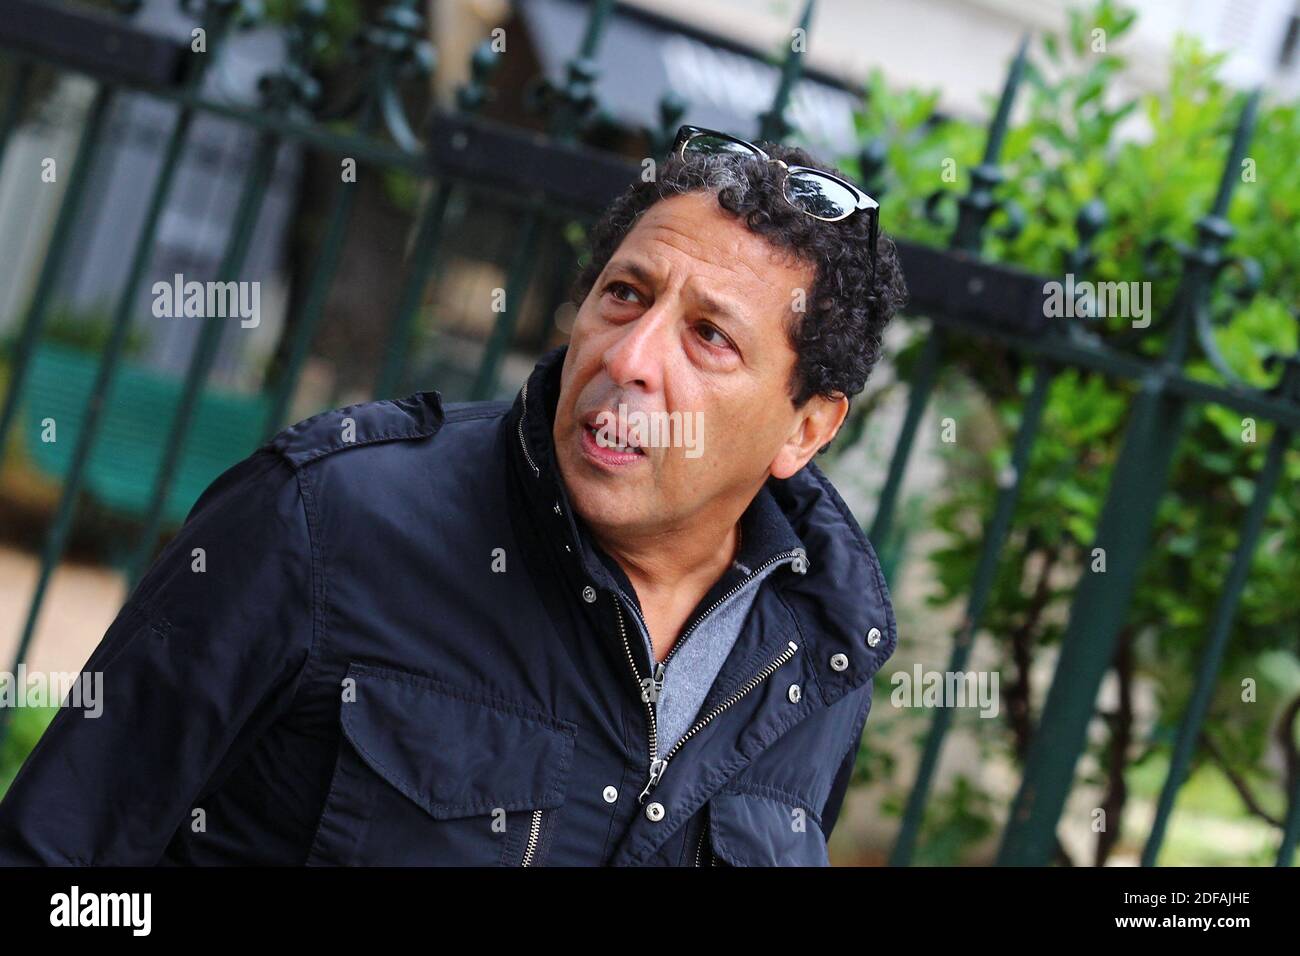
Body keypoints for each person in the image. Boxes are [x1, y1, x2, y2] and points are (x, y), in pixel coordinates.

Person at [0, 126, 907, 866]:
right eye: (624, 295)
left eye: (710, 336)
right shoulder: (324, 520)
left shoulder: (817, 659)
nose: (629, 358)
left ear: (807, 429)